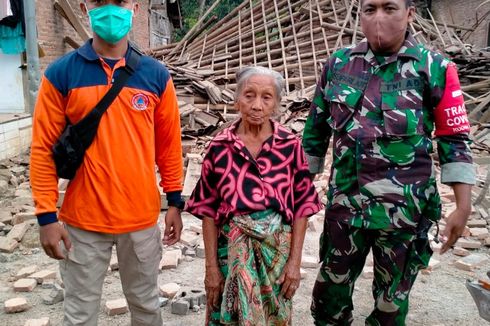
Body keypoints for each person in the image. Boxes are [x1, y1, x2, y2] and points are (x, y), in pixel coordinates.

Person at [303, 0, 475, 325]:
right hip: (345, 212)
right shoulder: (338, 64)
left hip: (404, 218)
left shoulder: (434, 67)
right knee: (328, 303)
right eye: (370, 9)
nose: (379, 18)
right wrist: (297, 190)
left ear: (410, 13)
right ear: (360, 15)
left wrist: (463, 206)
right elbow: (314, 133)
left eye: (389, 8)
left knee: (389, 310)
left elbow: (454, 138)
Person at [30, 1, 184, 325]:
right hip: (82, 223)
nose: (111, 9)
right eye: (102, 1)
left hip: (140, 220)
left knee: (146, 309)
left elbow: (169, 145)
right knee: (80, 315)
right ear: (86, 7)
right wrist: (46, 217)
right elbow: (43, 149)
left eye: (120, 1)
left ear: (136, 9)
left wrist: (174, 201)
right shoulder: (62, 73)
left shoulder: (155, 75)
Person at [186, 66, 323, 325]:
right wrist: (211, 268)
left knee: (274, 317)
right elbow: (207, 209)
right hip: (231, 254)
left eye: (266, 97)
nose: (257, 105)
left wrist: (294, 264)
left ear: (277, 104)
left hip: (275, 258)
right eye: (249, 95)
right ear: (237, 100)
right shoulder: (220, 147)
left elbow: (304, 205)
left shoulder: (290, 145)